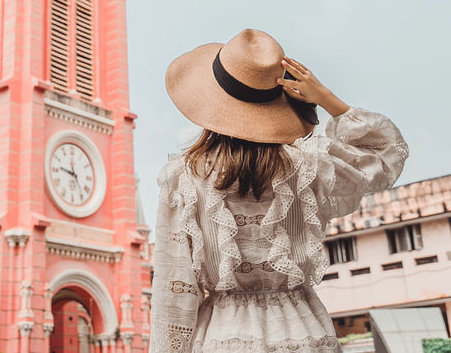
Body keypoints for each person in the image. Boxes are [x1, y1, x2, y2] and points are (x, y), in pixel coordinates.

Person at [148, 29, 408, 353]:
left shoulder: (183, 178)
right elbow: (386, 154)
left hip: (224, 338)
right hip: (303, 332)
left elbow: (174, 291)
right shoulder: (310, 167)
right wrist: (325, 97)